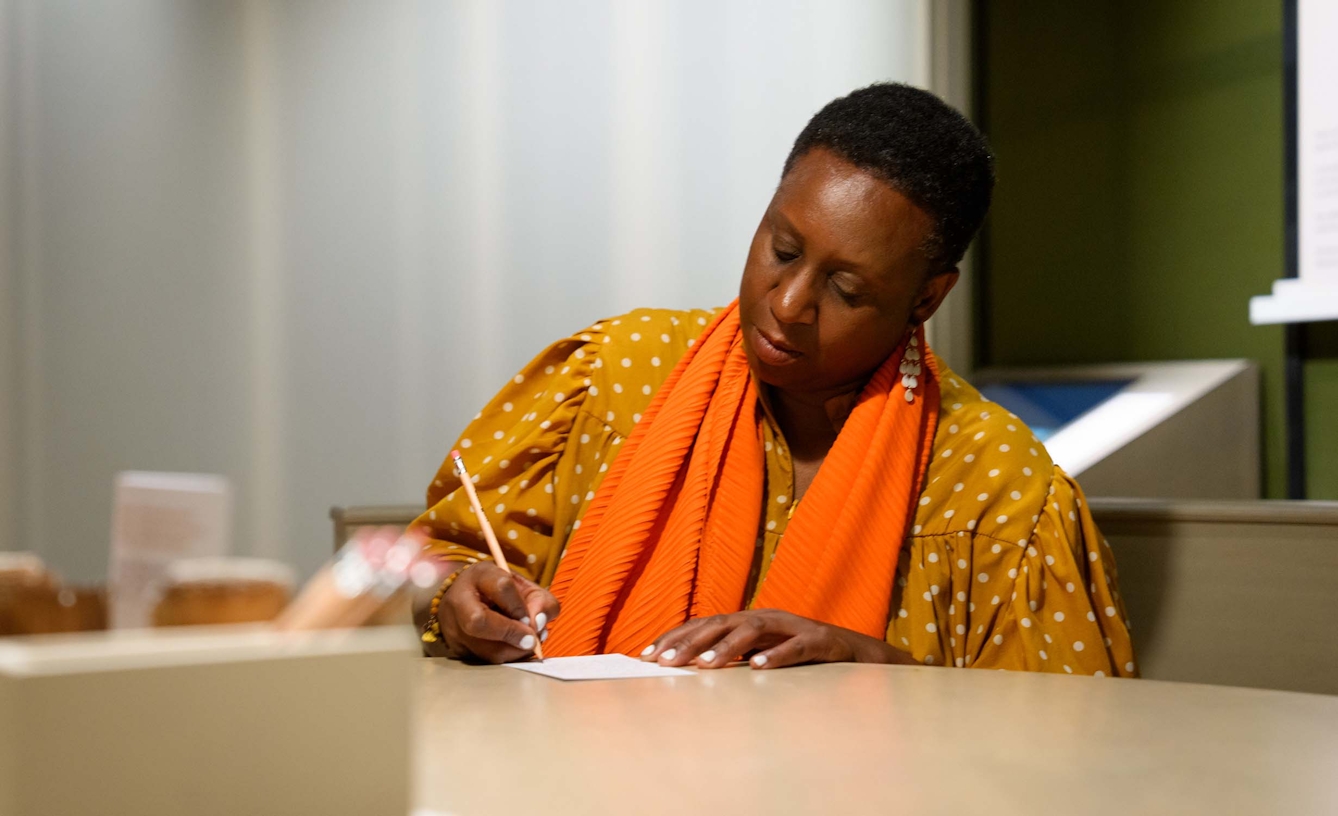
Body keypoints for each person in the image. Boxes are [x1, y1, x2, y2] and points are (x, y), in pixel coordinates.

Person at [411, 83, 1136, 676]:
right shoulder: (618, 374)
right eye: (782, 249)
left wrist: (871, 665)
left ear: (927, 299)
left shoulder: (996, 489)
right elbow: (432, 564)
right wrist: (453, 599)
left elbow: (1061, 744)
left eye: (848, 291)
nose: (789, 305)